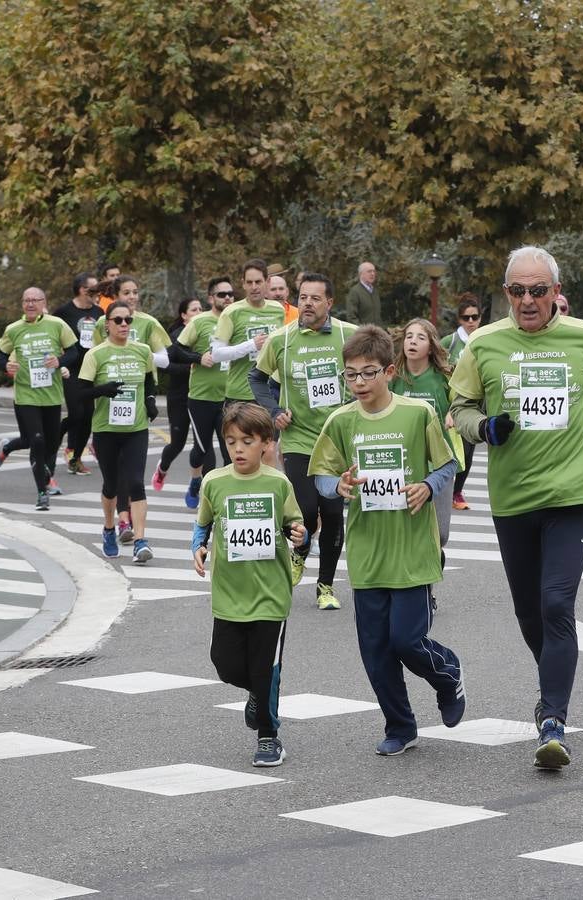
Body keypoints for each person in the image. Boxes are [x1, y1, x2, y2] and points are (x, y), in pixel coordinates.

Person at [449, 245, 583, 770]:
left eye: (538, 290)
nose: (528, 300)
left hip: (571, 491)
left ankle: (553, 719)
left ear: (555, 292)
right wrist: (484, 428)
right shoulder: (483, 344)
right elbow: (459, 407)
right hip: (513, 497)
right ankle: (554, 674)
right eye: (517, 291)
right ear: (506, 293)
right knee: (530, 612)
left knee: (556, 605)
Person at [310, 326, 464, 756]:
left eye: (368, 373)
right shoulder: (340, 420)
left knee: (407, 640)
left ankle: (447, 673)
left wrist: (427, 487)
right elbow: (322, 475)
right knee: (376, 649)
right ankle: (400, 725)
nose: (359, 383)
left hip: (412, 548)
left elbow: (447, 464)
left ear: (390, 372)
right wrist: (336, 485)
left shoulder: (417, 414)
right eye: (351, 375)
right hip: (367, 551)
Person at [192, 402, 306, 768]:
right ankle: (256, 696)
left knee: (265, 669)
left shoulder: (277, 483)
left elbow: (295, 525)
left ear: (266, 444)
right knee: (224, 664)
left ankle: (269, 737)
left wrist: (299, 535)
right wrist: (199, 546)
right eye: (230, 442)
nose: (238, 449)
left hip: (271, 592)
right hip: (229, 592)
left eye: (247, 441)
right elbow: (203, 524)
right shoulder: (214, 481)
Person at [250, 273, 357, 610]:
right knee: (307, 511)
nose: (307, 303)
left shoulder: (347, 335)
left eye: (315, 298)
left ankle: (325, 586)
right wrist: (274, 409)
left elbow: (374, 366)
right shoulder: (281, 340)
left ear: (329, 303)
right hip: (297, 439)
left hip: (336, 443)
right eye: (303, 297)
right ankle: (299, 552)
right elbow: (257, 377)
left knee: (333, 513)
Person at [77, 298, 158, 563]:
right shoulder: (96, 354)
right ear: (107, 324)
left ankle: (140, 540)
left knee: (136, 482)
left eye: (128, 320)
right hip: (106, 429)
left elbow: (149, 381)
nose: (124, 325)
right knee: (111, 485)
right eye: (119, 320)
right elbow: (80, 394)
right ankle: (110, 528)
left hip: (136, 427)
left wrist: (149, 402)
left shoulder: (143, 350)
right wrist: (104, 390)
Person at [92, 275, 171, 541]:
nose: (133, 297)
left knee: (133, 471)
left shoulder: (148, 323)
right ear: (115, 296)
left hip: (138, 399)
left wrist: (142, 354)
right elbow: (94, 362)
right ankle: (119, 521)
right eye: (127, 292)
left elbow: (165, 358)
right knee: (115, 475)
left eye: (136, 292)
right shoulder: (103, 324)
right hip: (110, 405)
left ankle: (131, 527)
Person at [0, 288, 77, 510]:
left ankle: (8, 446)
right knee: (37, 441)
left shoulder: (57, 324)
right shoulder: (14, 329)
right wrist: (6, 365)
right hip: (26, 395)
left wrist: (60, 361)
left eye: (35, 300)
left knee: (47, 443)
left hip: (51, 395)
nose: (30, 304)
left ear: (43, 302)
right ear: (22, 304)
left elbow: (74, 352)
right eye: (26, 301)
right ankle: (42, 492)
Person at [391, 318, 458, 580]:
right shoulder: (393, 376)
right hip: (403, 465)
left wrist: (453, 412)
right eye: (409, 336)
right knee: (408, 532)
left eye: (420, 337)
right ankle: (422, 589)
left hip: (438, 464)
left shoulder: (444, 377)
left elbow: (465, 400)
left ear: (431, 346)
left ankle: (431, 567)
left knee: (439, 534)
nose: (413, 342)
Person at [168, 278, 233, 507]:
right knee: (202, 450)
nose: (227, 298)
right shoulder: (200, 321)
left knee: (229, 451)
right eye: (221, 294)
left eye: (230, 294)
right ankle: (196, 480)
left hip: (230, 397)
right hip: (201, 397)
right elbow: (177, 349)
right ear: (211, 298)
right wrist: (198, 357)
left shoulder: (236, 318)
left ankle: (221, 497)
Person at [212, 260, 288, 410]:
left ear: (267, 281)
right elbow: (216, 354)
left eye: (258, 282)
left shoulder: (278, 309)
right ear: (243, 284)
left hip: (271, 394)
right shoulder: (231, 312)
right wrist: (251, 345)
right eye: (250, 282)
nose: (254, 287)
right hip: (240, 396)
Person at [151, 298, 201, 492]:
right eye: (193, 310)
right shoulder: (176, 337)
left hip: (201, 396)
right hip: (179, 396)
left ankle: (196, 482)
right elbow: (165, 367)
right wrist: (189, 369)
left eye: (200, 308)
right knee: (177, 443)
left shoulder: (206, 333)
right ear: (184, 315)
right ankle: (163, 468)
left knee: (201, 443)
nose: (198, 312)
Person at [53, 272, 101, 474]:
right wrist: (60, 361)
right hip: (72, 370)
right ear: (82, 289)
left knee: (89, 416)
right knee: (76, 414)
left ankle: (76, 458)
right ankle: (54, 439)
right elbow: (52, 336)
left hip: (93, 371)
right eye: (94, 289)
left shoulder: (99, 312)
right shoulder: (64, 312)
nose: (98, 293)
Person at [442, 294, 482, 510]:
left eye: (474, 317)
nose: (470, 322)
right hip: (450, 403)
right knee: (449, 450)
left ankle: (457, 491)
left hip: (474, 405)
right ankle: (446, 489)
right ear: (459, 319)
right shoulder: (450, 342)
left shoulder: (482, 341)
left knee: (468, 450)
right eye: (466, 318)